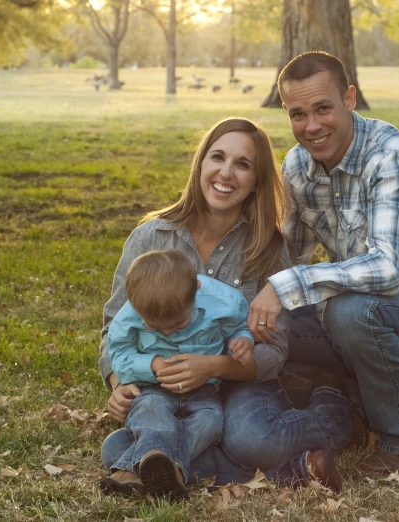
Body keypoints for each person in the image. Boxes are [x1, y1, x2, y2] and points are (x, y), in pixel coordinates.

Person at [248, 51, 399, 474]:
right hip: (354, 320)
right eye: (298, 114)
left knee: (350, 309)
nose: (312, 126)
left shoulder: (390, 158)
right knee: (267, 317)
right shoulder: (298, 166)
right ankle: (344, 402)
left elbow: (386, 269)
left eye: (323, 108)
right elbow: (289, 253)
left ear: (349, 98)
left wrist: (288, 283)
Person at [98, 117, 354, 495]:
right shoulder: (151, 237)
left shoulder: (269, 249)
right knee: (118, 447)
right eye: (217, 157)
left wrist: (215, 366)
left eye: (243, 164)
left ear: (256, 181)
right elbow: (113, 330)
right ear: (200, 163)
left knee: (251, 440)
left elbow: (274, 352)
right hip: (162, 387)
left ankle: (336, 415)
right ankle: (297, 467)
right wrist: (120, 384)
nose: (226, 173)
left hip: (236, 383)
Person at [101, 249, 255, 498]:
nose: (170, 332)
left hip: (203, 389)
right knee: (150, 407)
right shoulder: (127, 317)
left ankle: (132, 468)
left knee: (212, 420)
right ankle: (172, 471)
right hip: (153, 388)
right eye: (155, 328)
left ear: (196, 288)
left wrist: (243, 341)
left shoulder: (224, 302)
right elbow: (118, 354)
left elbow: (239, 327)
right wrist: (152, 364)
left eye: (179, 324)